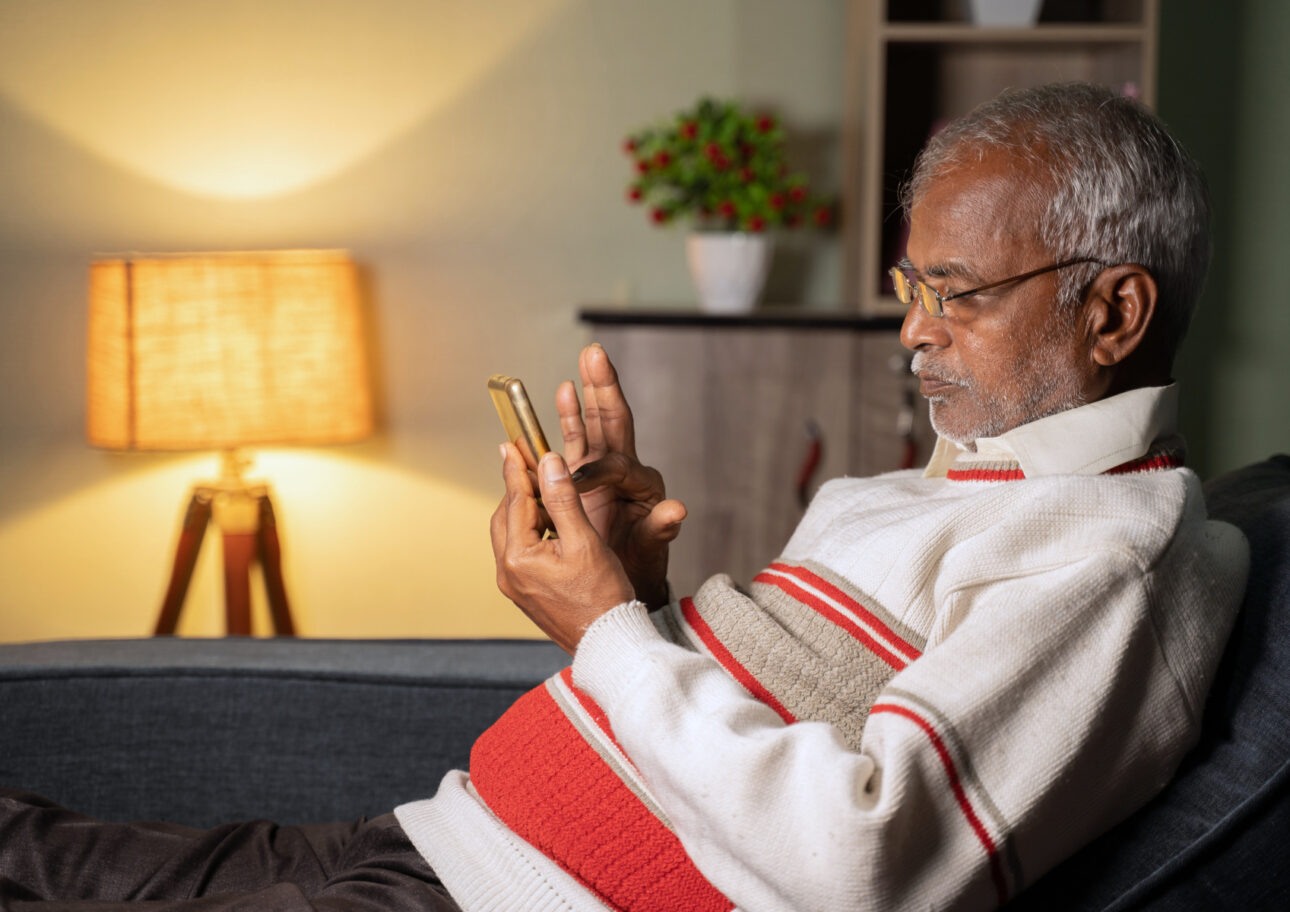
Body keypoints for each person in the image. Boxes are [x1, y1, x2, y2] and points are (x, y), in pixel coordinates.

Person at [0, 82, 1250, 912]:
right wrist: (639, 593)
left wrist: (599, 626)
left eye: (957, 293)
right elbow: (753, 742)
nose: (912, 335)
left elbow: (864, 854)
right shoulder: (953, 483)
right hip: (441, 838)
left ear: (1113, 310)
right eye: (907, 284)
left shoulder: (1111, 561)